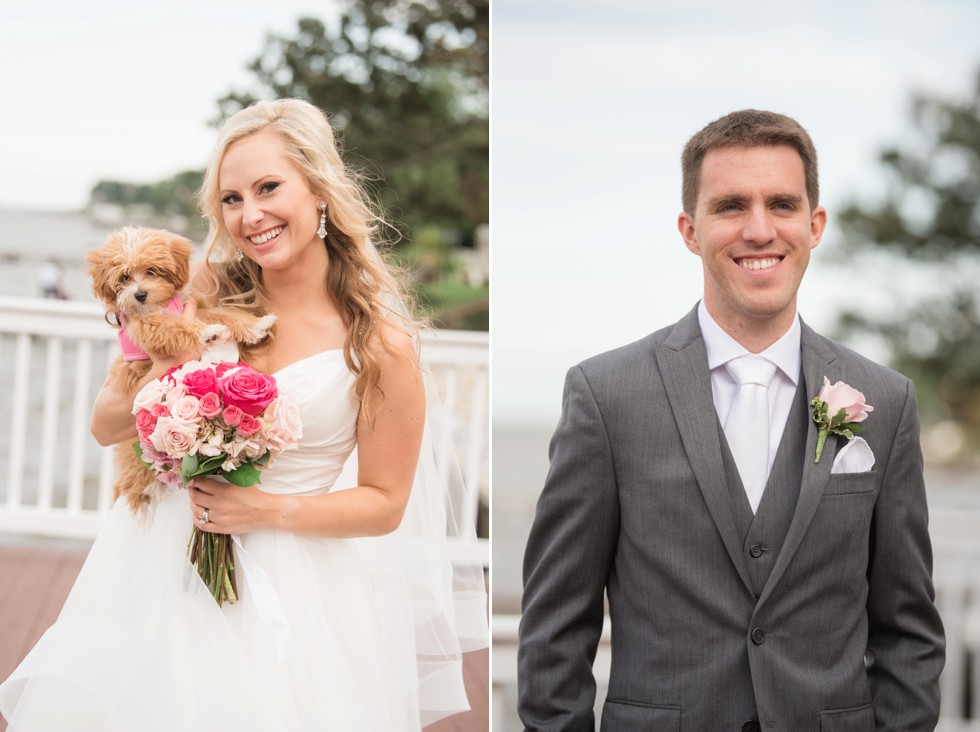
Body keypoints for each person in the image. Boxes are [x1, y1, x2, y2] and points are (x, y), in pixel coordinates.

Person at [0, 99, 487, 731]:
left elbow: (385, 503)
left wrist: (264, 509)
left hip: (297, 584)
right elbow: (106, 424)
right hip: (158, 563)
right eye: (231, 199)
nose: (250, 215)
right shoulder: (199, 289)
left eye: (267, 188)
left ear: (318, 190)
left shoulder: (380, 345)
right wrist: (175, 381)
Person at [518, 110, 945, 731]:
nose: (759, 229)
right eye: (730, 207)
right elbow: (556, 627)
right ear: (690, 230)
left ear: (814, 224)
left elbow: (908, 631)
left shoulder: (887, 400)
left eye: (781, 204)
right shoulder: (604, 396)